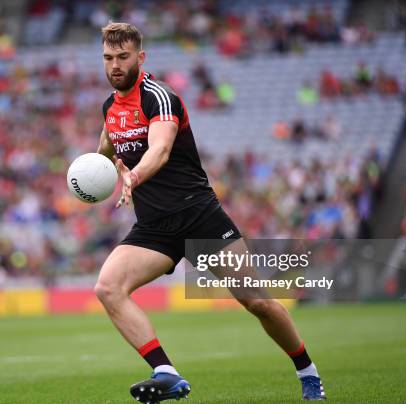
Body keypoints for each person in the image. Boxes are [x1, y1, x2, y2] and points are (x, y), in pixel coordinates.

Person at [95, 22, 326, 402]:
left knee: (258, 302)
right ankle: (166, 372)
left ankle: (309, 373)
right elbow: (104, 151)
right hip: (155, 227)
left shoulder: (159, 97)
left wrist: (132, 175)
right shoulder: (110, 107)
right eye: (108, 58)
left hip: (198, 217)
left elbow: (161, 149)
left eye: (123, 57)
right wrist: (90, 174)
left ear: (141, 56)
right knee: (108, 287)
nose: (115, 65)